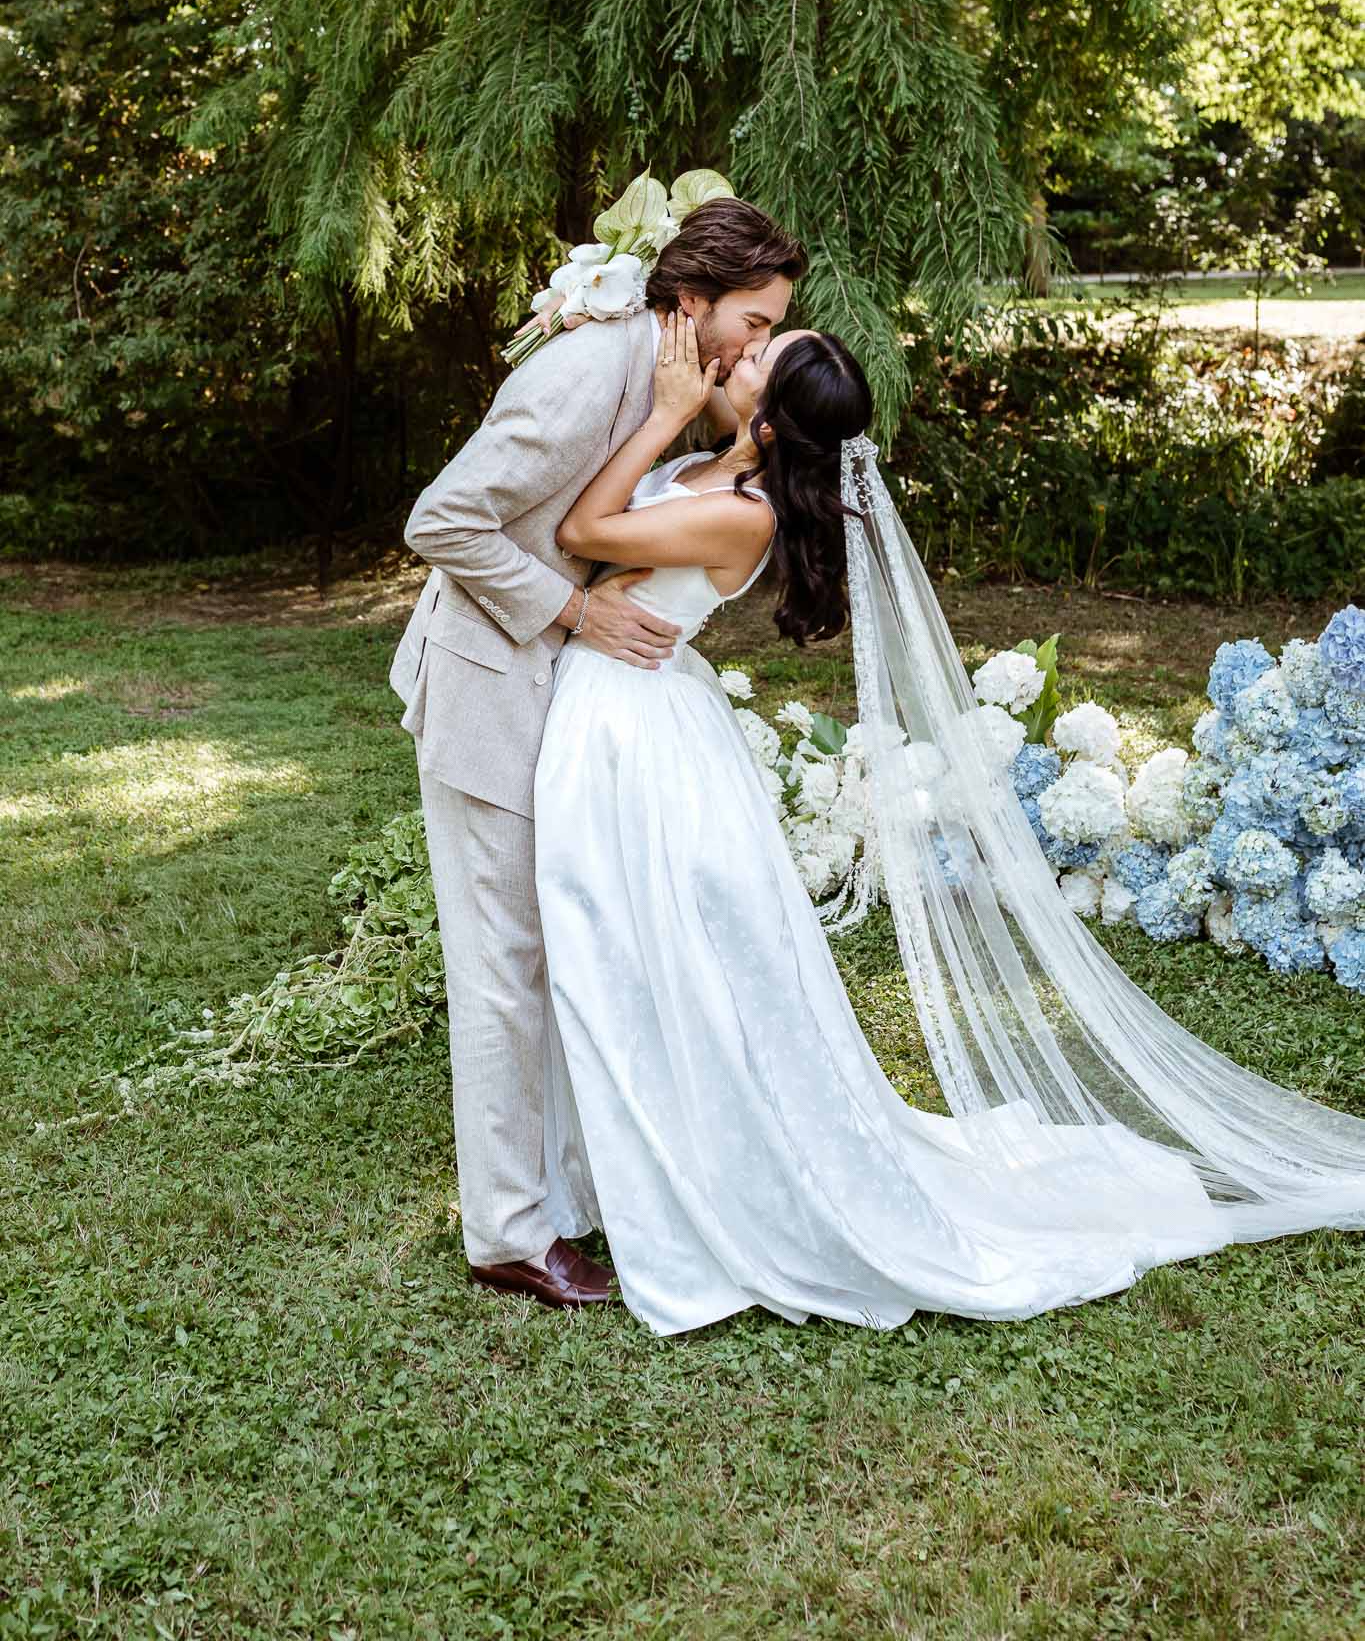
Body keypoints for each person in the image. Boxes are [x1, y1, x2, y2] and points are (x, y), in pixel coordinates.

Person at [528, 314, 1365, 1334]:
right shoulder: (733, 466)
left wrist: (661, 416)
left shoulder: (742, 515)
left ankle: (700, 1162)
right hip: (622, 714)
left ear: (777, 419)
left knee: (654, 950)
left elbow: (579, 531)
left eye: (755, 357)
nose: (731, 356)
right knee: (632, 948)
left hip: (636, 726)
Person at [389, 197, 806, 1307]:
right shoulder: (591, 373)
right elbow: (441, 519)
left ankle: (565, 1190)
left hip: (556, 704)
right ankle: (508, 1235)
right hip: (489, 693)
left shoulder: (662, 380)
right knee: (503, 970)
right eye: (754, 322)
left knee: (544, 952)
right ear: (693, 299)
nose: (755, 348)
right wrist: (573, 616)